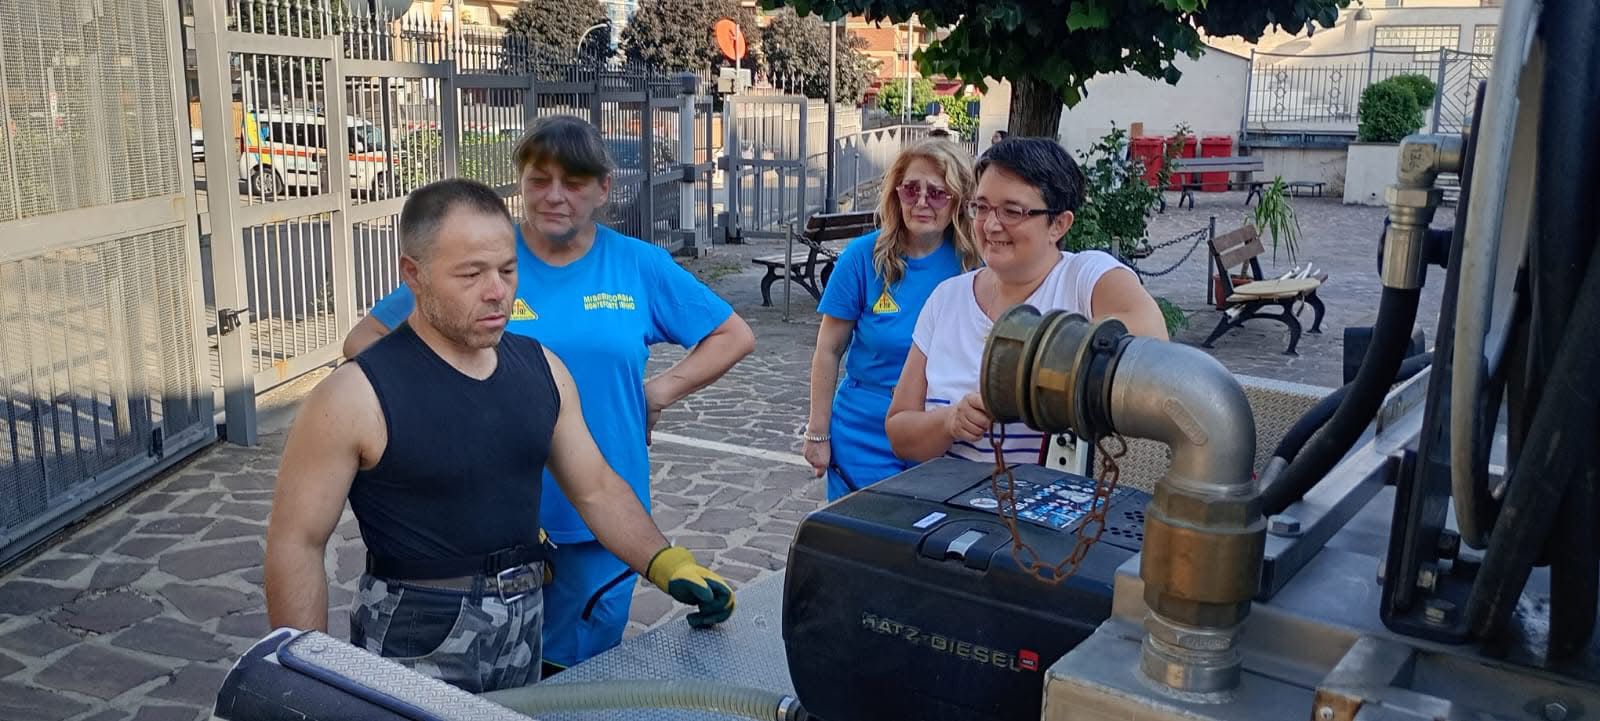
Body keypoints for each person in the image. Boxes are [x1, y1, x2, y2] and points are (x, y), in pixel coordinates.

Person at [264, 179, 734, 693]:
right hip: (413, 640)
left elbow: (596, 488)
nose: (497, 291)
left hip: (524, 630)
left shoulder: (542, 370)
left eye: (508, 271)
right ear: (413, 274)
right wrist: (304, 681)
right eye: (471, 274)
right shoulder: (355, 396)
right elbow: (297, 543)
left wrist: (664, 561)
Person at [886, 138, 1167, 467]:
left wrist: (1017, 379)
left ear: (1059, 224)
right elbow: (900, 432)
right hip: (952, 495)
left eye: (1012, 211)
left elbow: (1154, 349)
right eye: (982, 207)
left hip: (1056, 496)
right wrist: (950, 421)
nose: (991, 225)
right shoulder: (947, 298)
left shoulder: (1085, 278)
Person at [804, 140, 981, 500]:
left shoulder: (974, 264)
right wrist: (817, 432)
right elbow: (829, 348)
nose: (921, 202)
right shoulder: (862, 258)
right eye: (911, 189)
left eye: (937, 193)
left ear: (958, 200)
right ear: (896, 193)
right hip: (864, 433)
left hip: (940, 432)